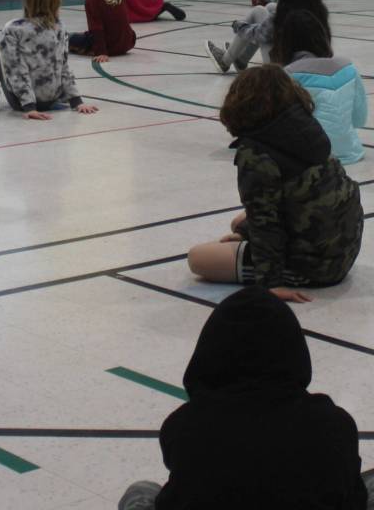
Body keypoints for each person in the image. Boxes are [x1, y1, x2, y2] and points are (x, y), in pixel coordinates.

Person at [119, 287, 374, 510]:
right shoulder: (334, 423)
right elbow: (351, 498)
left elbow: (179, 495)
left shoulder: (182, 425)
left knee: (141, 491)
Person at [186, 64, 363, 303]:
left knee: (198, 258)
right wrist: (246, 232)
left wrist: (271, 283)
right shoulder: (306, 128)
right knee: (238, 223)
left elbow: (265, 222)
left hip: (315, 267)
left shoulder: (256, 152)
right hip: (344, 248)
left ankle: (280, 270)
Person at [0, 0, 99, 118]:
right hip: (52, 99)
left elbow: (16, 68)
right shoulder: (60, 26)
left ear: (27, 2)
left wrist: (29, 107)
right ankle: (62, 98)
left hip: (23, 103)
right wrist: (77, 101)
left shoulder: (13, 28)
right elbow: (63, 66)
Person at [273, 9, 367, 166]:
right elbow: (359, 119)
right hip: (350, 152)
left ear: (285, 42)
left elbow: (280, 127)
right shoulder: (348, 67)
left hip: (309, 156)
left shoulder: (288, 74)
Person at [205, 0, 330, 73]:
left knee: (258, 11)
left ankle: (225, 61)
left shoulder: (286, 14)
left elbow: (259, 34)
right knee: (270, 7)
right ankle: (241, 59)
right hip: (317, 66)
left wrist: (239, 26)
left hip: (287, 73)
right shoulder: (318, 9)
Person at [68, 0, 137, 62]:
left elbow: (96, 26)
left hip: (107, 46)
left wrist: (101, 51)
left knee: (66, 37)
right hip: (126, 44)